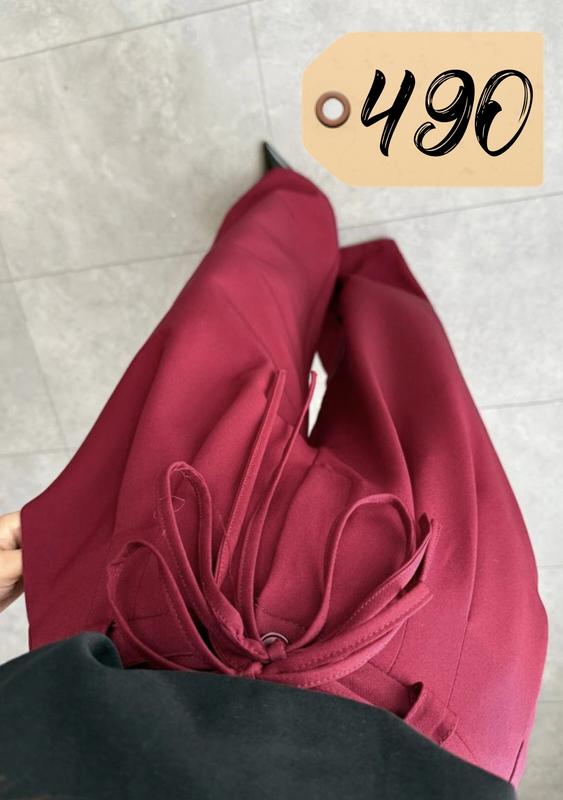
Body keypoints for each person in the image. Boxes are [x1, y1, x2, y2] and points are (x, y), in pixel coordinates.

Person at [0, 143, 548, 797]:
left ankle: (332, 247)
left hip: (433, 714)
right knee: (239, 321)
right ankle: (296, 211)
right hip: (152, 636)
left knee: (412, 386)